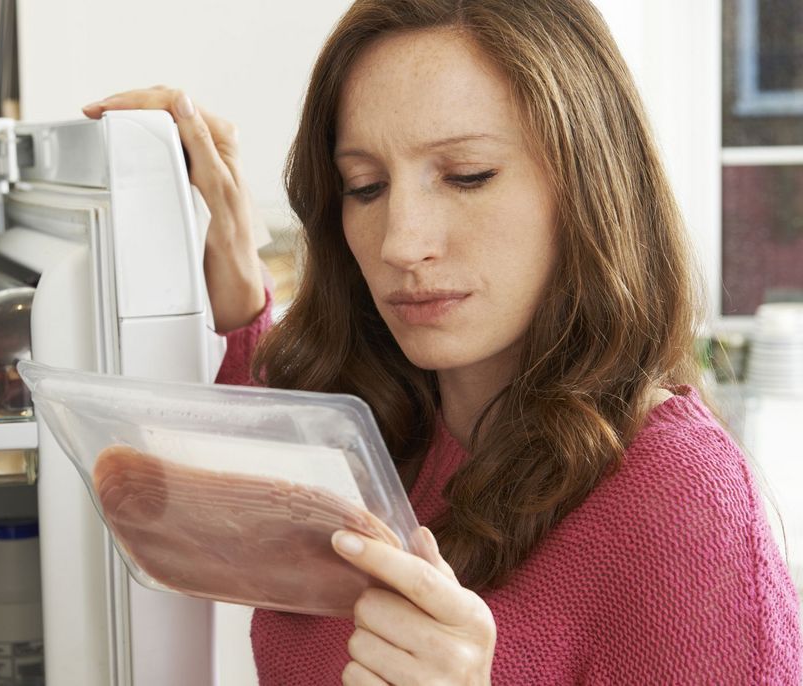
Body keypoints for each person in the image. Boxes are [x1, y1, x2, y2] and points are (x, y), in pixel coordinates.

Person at [82, 0, 803, 683]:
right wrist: (233, 265)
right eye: (365, 186)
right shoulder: (370, 426)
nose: (401, 242)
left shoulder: (680, 502)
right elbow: (224, 499)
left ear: (588, 184)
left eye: (466, 176)